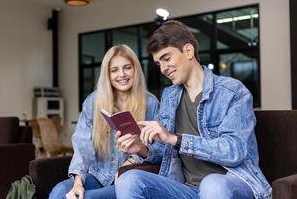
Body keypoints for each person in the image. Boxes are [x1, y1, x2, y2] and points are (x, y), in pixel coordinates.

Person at [115, 21, 272, 199]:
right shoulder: (170, 96)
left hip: (231, 184)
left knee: (212, 185)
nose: (164, 68)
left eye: (167, 58)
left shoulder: (232, 91)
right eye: (159, 64)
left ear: (188, 51)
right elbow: (165, 151)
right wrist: (142, 149)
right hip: (187, 189)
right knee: (129, 180)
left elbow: (234, 151)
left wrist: (175, 139)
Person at [49, 45, 159, 199]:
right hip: (99, 176)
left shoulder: (150, 103)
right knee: (60, 191)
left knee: (87, 198)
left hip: (127, 179)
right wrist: (78, 182)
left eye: (127, 68)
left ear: (136, 70)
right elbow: (82, 147)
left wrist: (133, 160)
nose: (122, 74)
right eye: (114, 70)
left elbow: (158, 151)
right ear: (107, 74)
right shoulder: (94, 101)